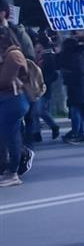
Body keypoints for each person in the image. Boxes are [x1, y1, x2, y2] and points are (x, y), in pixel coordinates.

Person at [0, 28, 30, 187]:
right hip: (8, 100)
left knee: (10, 137)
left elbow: (5, 80)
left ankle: (13, 172)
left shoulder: (13, 55)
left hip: (13, 100)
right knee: (7, 136)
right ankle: (9, 169)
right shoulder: (6, 55)